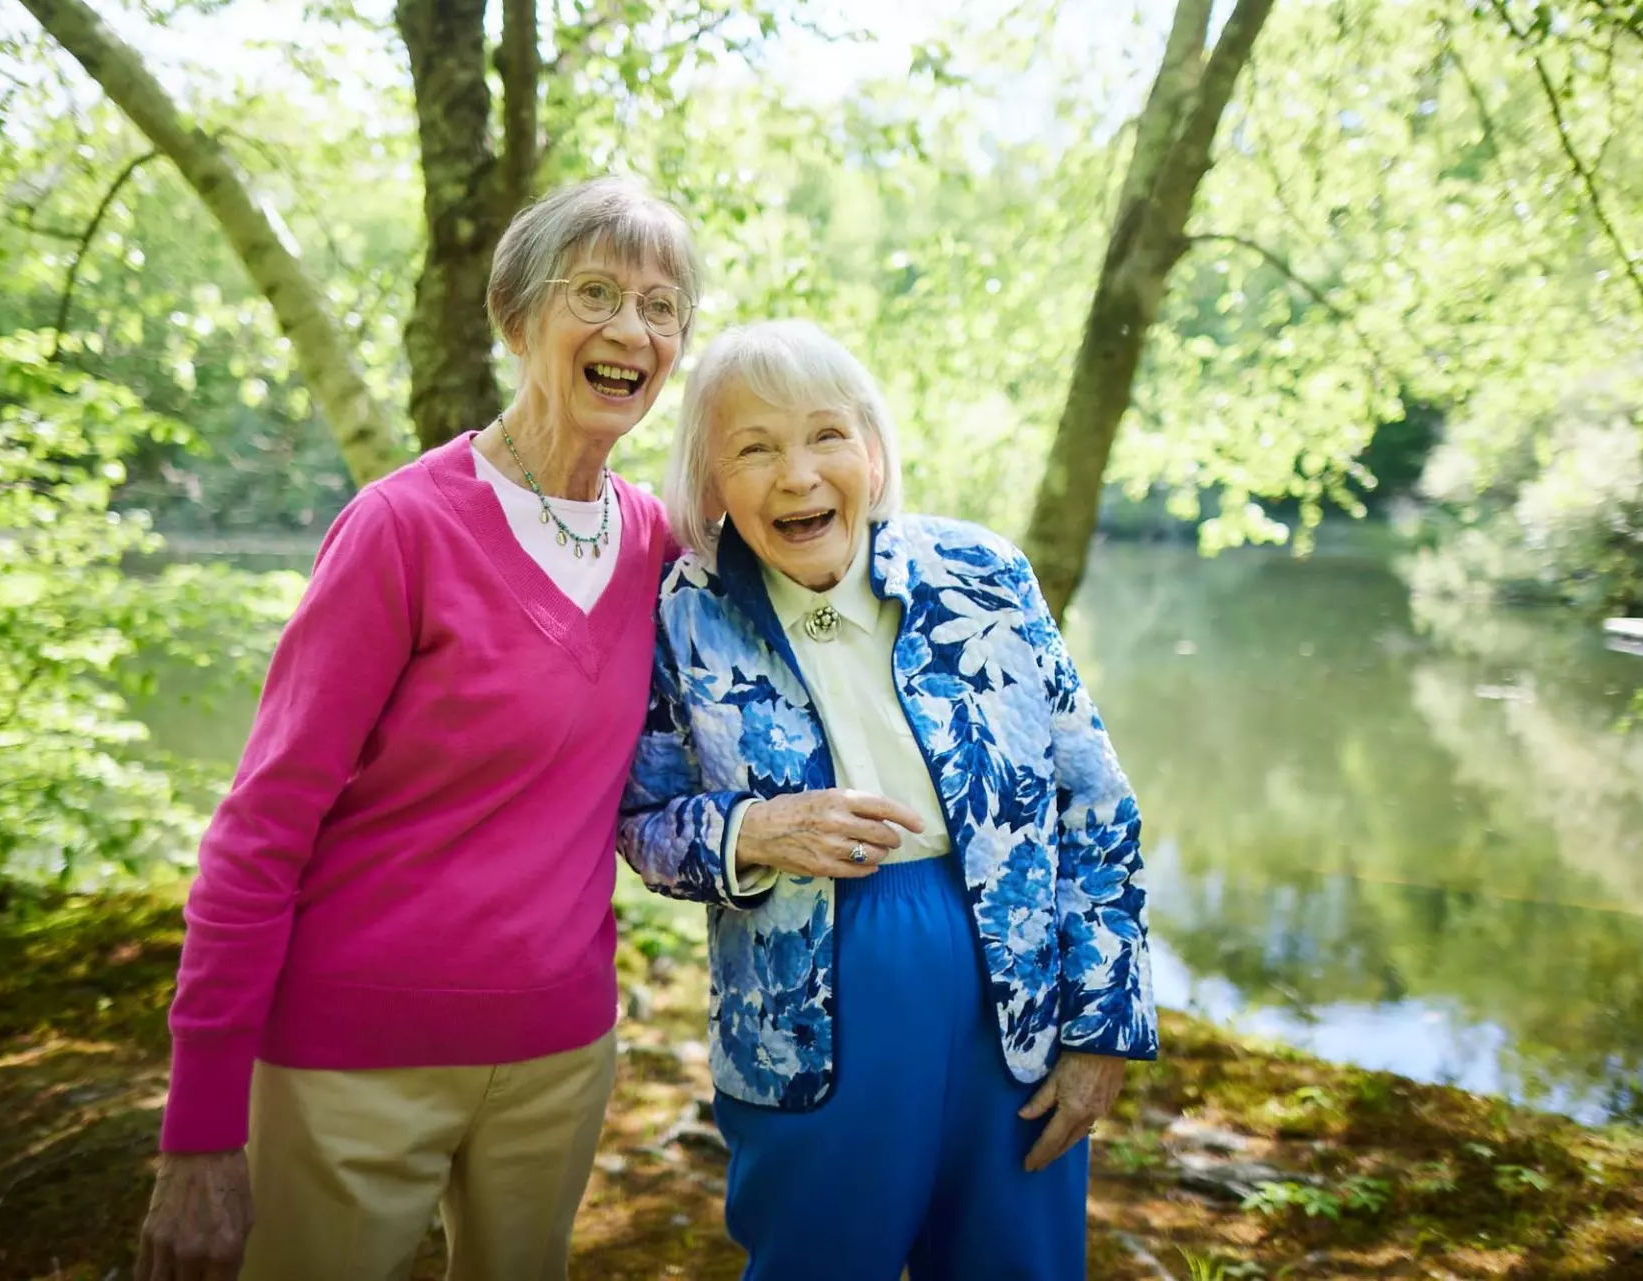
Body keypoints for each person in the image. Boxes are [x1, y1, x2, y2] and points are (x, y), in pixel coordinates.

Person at [134, 176, 702, 1281]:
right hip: (351, 1062)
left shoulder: (659, 549)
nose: (633, 329)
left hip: (560, 1057)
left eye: (664, 306)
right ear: (517, 314)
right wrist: (199, 1129)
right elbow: (260, 832)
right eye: (596, 292)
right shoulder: (400, 529)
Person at [617, 319, 1158, 1281]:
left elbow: (1096, 808)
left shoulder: (983, 576)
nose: (798, 475)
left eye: (827, 435)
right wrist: (752, 831)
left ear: (873, 447)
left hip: (1014, 987)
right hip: (805, 1010)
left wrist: (1101, 1027)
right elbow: (643, 824)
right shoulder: (680, 612)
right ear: (709, 482)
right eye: (755, 448)